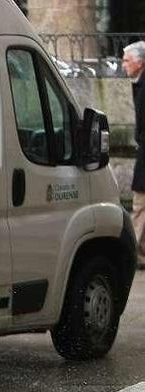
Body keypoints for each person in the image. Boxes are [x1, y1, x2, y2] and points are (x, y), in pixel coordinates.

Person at [123, 41, 145, 268]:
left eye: (127, 60)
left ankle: (131, 252)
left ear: (140, 62)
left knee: (139, 206)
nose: (123, 65)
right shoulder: (139, 83)